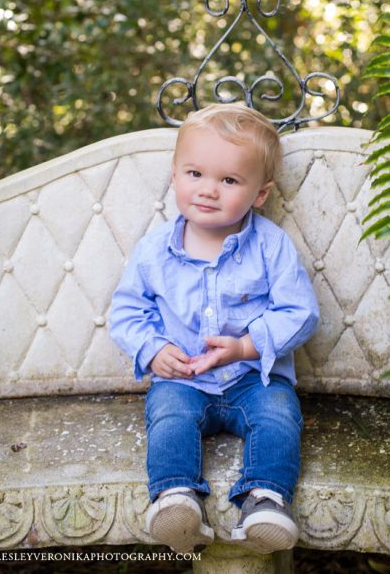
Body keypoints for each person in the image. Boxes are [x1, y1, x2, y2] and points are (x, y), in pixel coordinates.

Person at [110, 103, 319, 555]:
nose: (208, 190)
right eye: (195, 173)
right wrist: (153, 348)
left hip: (253, 379)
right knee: (168, 417)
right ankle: (176, 498)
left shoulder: (270, 246)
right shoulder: (154, 250)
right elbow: (126, 311)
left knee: (279, 416)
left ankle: (266, 500)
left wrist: (246, 346)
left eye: (228, 180)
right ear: (174, 175)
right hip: (183, 380)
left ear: (260, 194)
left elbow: (300, 312)